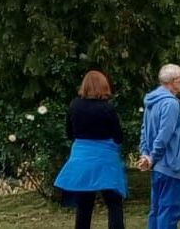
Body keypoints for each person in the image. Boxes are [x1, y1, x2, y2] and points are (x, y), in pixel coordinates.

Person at [54, 70, 127, 229]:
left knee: (84, 205)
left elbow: (69, 133)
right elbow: (118, 136)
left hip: (82, 157)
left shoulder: (74, 105)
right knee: (114, 204)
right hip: (105, 159)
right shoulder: (107, 108)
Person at [138, 64, 180, 229]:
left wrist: (145, 154)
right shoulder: (171, 104)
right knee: (169, 213)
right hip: (171, 165)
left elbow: (144, 130)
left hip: (158, 167)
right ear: (174, 81)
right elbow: (164, 136)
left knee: (157, 211)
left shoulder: (151, 102)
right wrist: (152, 157)